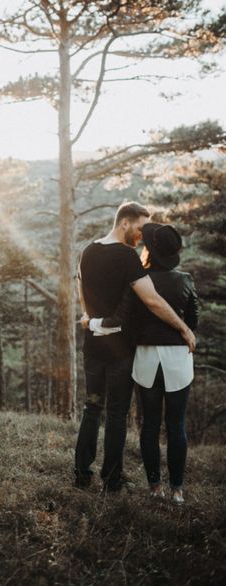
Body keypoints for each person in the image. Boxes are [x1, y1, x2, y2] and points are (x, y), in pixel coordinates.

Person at [75, 202, 196, 492]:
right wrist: (183, 329)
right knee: (116, 413)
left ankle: (81, 474)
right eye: (140, 228)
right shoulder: (128, 258)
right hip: (120, 350)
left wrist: (90, 320)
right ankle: (112, 480)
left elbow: (82, 296)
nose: (142, 236)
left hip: (93, 345)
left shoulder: (87, 251)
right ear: (125, 223)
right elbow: (153, 301)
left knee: (91, 408)